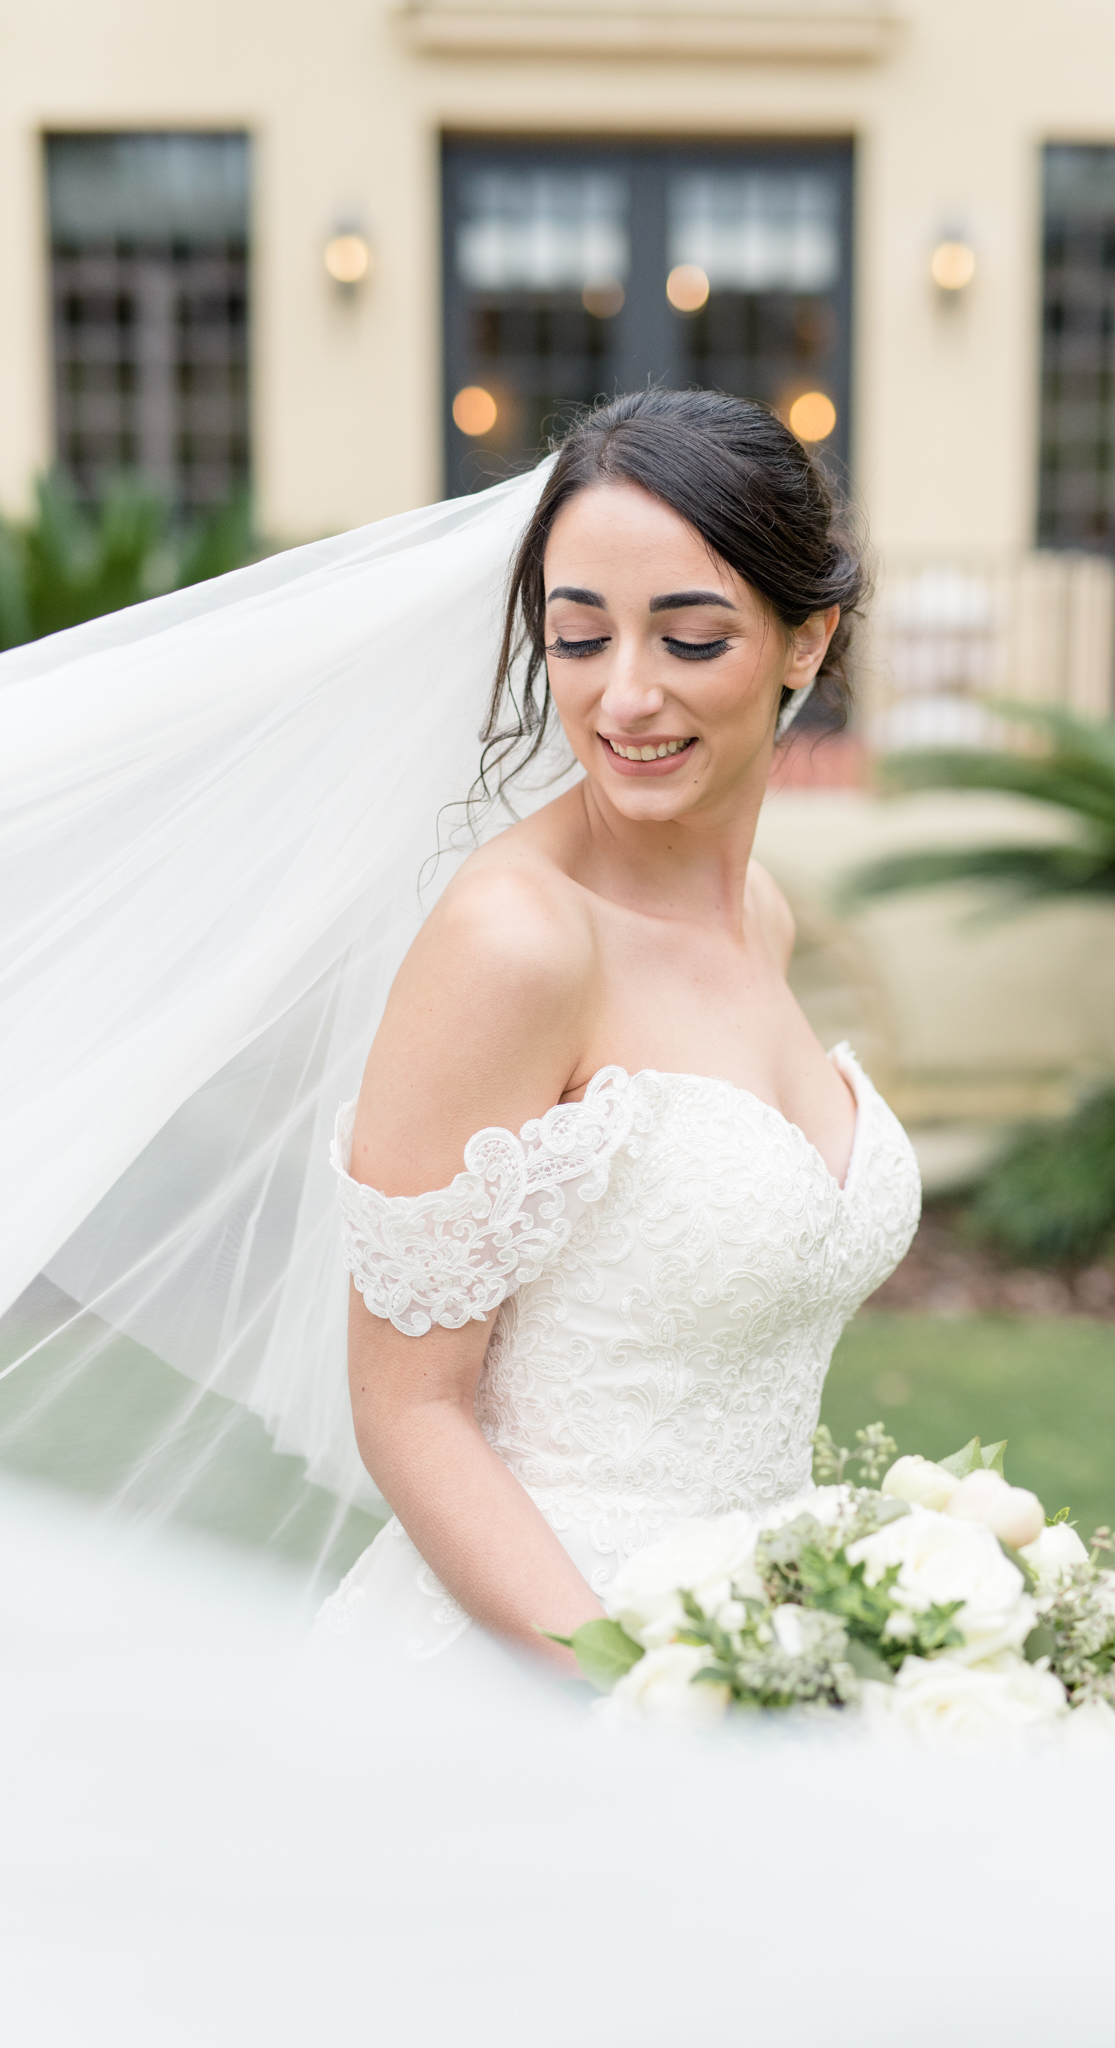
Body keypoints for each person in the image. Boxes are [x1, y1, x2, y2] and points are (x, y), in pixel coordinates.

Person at [313, 390, 921, 1678]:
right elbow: (412, 1412)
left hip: (767, 1654)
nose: (623, 698)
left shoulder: (763, 918)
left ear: (805, 643)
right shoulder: (518, 943)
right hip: (546, 1679)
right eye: (579, 639)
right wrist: (637, 1693)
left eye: (691, 641)